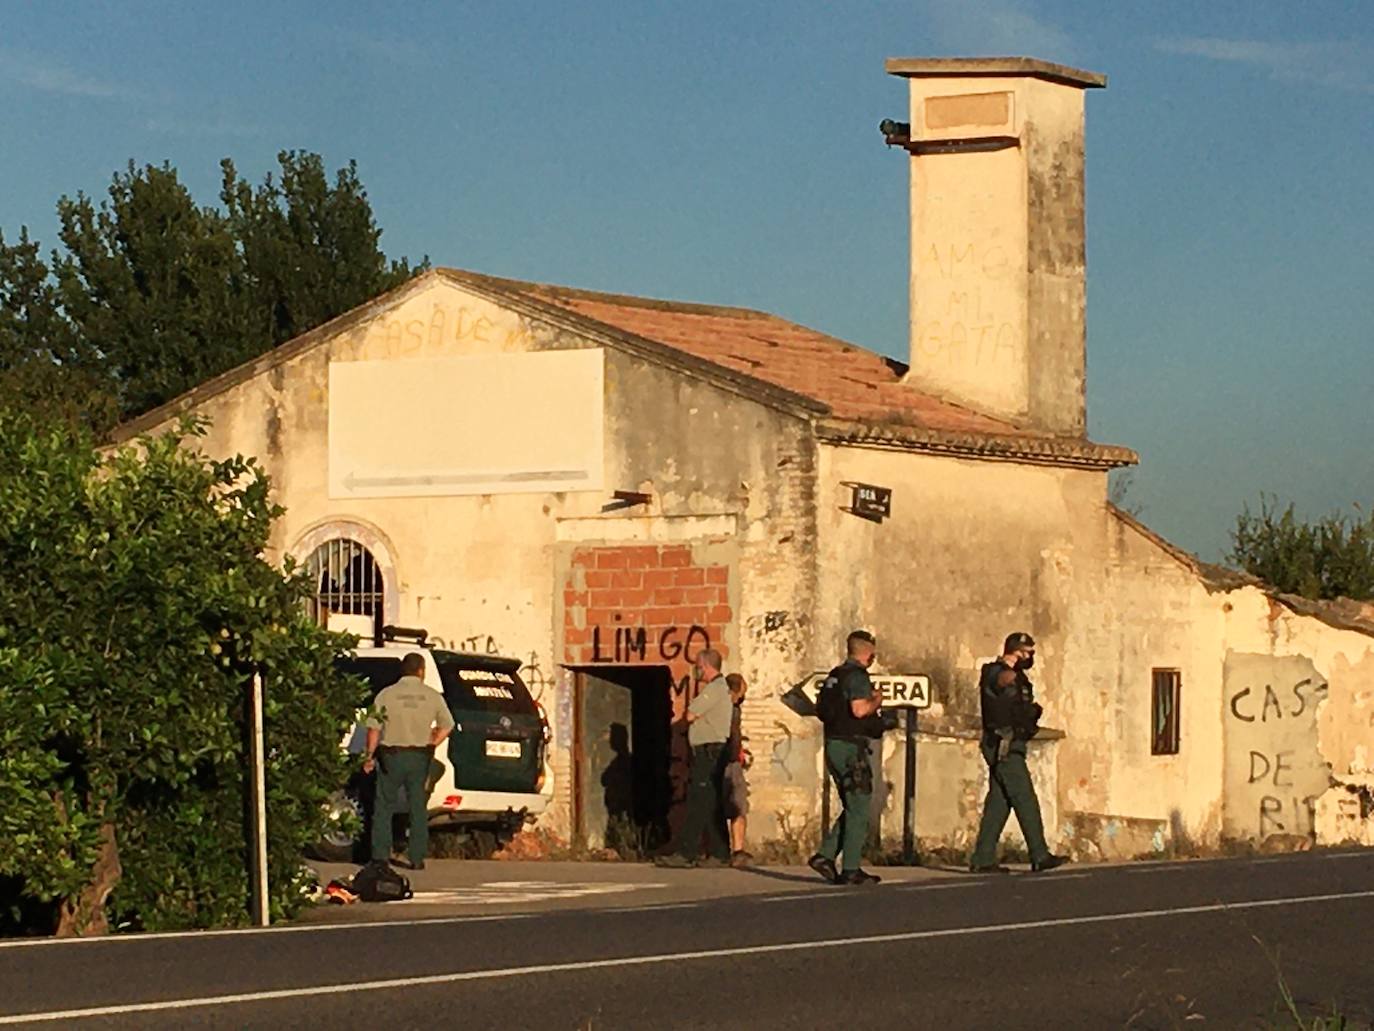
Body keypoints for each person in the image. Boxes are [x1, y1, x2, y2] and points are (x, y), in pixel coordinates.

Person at [968, 632, 1068, 874]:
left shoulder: (1022, 679)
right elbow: (1000, 680)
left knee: (999, 803)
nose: (1030, 657)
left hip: (1015, 743)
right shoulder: (993, 670)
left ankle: (982, 858)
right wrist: (1008, 672)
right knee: (1025, 798)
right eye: (1026, 652)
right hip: (1003, 744)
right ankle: (1039, 854)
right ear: (1014, 651)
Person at [363, 653, 454, 871]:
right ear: (421, 671)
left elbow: (374, 728)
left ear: (403, 670)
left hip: (391, 756)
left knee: (384, 806)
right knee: (417, 807)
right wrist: (433, 741)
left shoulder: (386, 695)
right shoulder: (432, 696)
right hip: (419, 757)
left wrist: (369, 756)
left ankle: (380, 856)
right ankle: (416, 856)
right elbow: (447, 725)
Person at [808, 630, 884, 886]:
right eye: (872, 653)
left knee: (854, 805)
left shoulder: (835, 675)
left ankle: (825, 856)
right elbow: (859, 709)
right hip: (851, 749)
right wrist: (876, 700)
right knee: (860, 804)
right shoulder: (857, 676)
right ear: (866, 652)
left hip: (833, 745)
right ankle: (851, 868)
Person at [656, 648, 732, 868]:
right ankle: (719, 853)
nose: (696, 670)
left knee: (698, 801)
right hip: (712, 751)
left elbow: (690, 714)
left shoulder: (715, 689)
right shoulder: (720, 688)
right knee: (710, 802)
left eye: (698, 666)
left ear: (706, 666)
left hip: (709, 752)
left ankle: (686, 852)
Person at [723, 673, 753, 866]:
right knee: (738, 804)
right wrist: (737, 753)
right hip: (730, 760)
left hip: (725, 759)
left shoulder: (722, 708)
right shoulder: (731, 710)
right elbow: (732, 735)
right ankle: (738, 849)